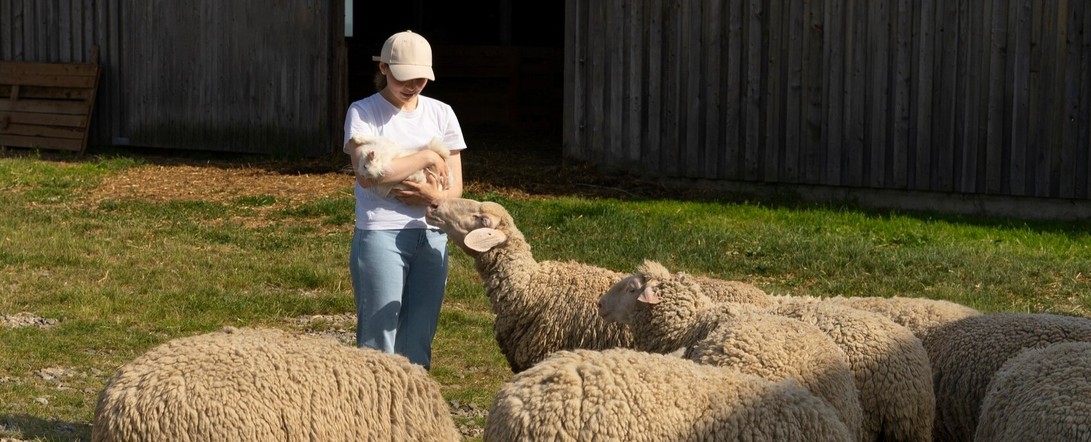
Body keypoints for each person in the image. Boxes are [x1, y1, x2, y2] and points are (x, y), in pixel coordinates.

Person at [342, 30, 465, 370]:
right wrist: (426, 157)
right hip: (380, 233)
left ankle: (411, 416)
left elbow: (455, 188)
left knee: (419, 338)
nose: (412, 86)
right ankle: (371, 415)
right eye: (404, 78)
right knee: (377, 339)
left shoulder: (441, 114)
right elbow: (369, 174)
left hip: (431, 233)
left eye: (421, 79)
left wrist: (434, 196)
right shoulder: (363, 112)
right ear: (383, 68)